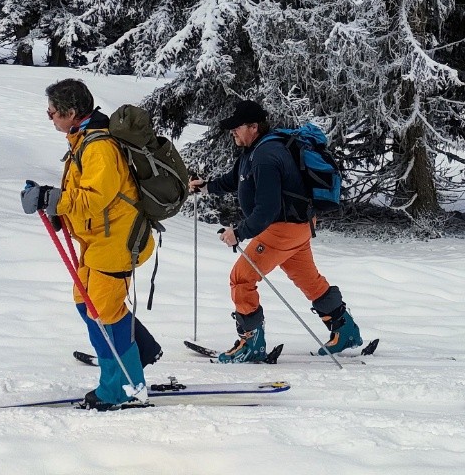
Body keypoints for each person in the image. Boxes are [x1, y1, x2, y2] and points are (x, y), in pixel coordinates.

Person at [21, 78, 163, 410]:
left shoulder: (98, 146)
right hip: (99, 241)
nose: (50, 117)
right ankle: (140, 351)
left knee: (102, 312)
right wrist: (58, 210)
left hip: (117, 242)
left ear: (72, 113)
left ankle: (123, 388)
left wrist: (52, 199)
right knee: (87, 304)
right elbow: (86, 196)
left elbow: (96, 198)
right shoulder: (82, 140)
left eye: (52, 112)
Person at [187, 98, 364, 361]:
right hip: (299, 228)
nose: (232, 131)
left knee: (242, 277)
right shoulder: (254, 150)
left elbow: (266, 209)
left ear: (253, 126)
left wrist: (239, 232)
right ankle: (344, 329)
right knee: (309, 280)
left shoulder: (267, 156)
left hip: (282, 229)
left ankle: (251, 343)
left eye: (237, 127)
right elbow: (236, 179)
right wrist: (207, 186)